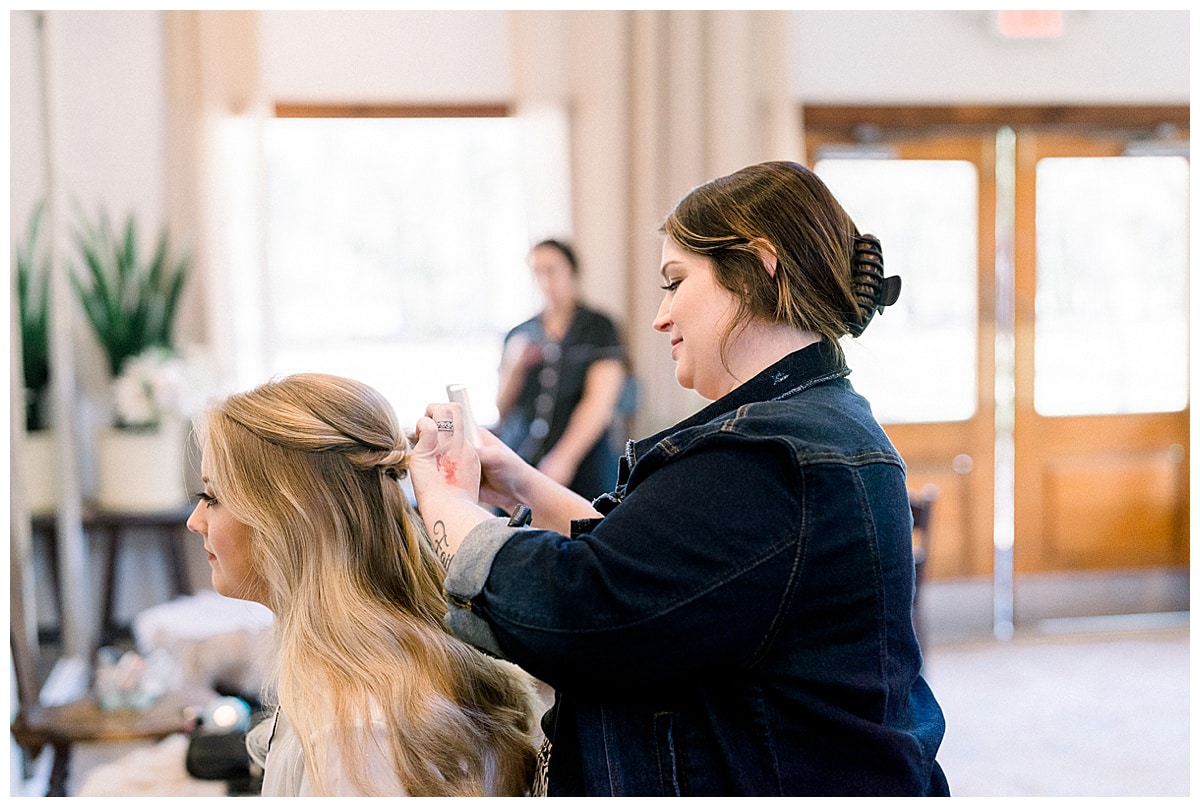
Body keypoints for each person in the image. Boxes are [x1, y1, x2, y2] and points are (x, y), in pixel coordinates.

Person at [408, 160, 949, 796]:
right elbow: (659, 570)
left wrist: (441, 502)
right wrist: (522, 483)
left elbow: (584, 609)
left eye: (675, 281)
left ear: (759, 266)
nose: (661, 317)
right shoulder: (807, 427)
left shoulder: (772, 458)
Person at [185, 373, 539, 796]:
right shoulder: (352, 682)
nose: (196, 521)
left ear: (286, 521)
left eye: (213, 498)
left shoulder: (349, 734)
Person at [495, 238, 628, 501]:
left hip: (585, 460)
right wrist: (514, 365)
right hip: (524, 457)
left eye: (551, 270)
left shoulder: (599, 327)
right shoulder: (519, 334)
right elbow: (502, 409)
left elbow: (599, 403)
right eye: (537, 272)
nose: (544, 280)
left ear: (571, 271)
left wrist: (564, 459)